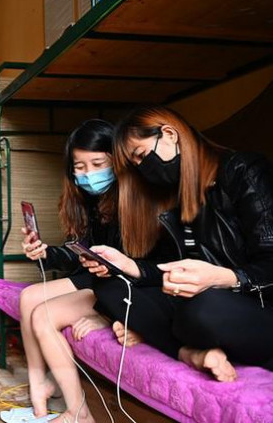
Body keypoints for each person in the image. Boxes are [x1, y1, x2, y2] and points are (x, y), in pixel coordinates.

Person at [85, 106, 273, 385]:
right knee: (112, 287)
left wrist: (226, 278)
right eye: (135, 165)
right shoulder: (174, 194)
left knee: (202, 307)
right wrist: (130, 266)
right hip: (200, 300)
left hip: (252, 305)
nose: (143, 169)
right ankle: (190, 352)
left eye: (141, 155)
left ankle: (177, 344)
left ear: (170, 134)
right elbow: (174, 269)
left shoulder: (243, 171)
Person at [5, 119, 120, 423]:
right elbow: (77, 254)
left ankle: (79, 412)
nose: (89, 174)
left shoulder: (129, 200)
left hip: (118, 285)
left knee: (43, 314)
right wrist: (45, 252)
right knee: (28, 297)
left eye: (98, 164)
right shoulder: (86, 200)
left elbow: (136, 270)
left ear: (117, 160)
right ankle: (39, 385)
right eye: (80, 167)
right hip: (94, 277)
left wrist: (105, 316)